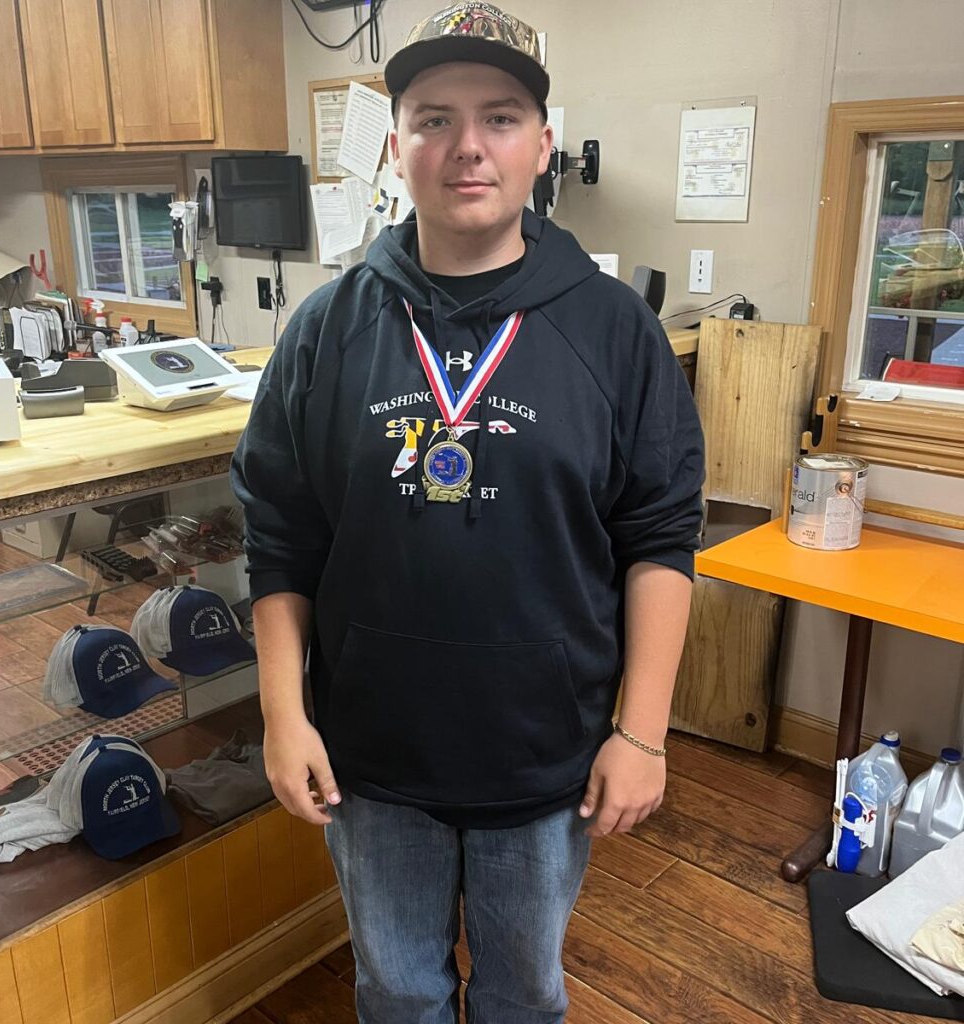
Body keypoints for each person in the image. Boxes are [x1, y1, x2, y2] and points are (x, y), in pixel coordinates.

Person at [231, 4, 705, 1022]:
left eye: (499, 117)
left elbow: (660, 538)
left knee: (524, 994)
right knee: (396, 992)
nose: (467, 146)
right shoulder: (325, 329)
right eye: (433, 118)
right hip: (371, 755)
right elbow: (280, 536)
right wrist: (282, 714)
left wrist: (643, 734)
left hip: (543, 753)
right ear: (395, 144)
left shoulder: (616, 331)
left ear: (542, 142)